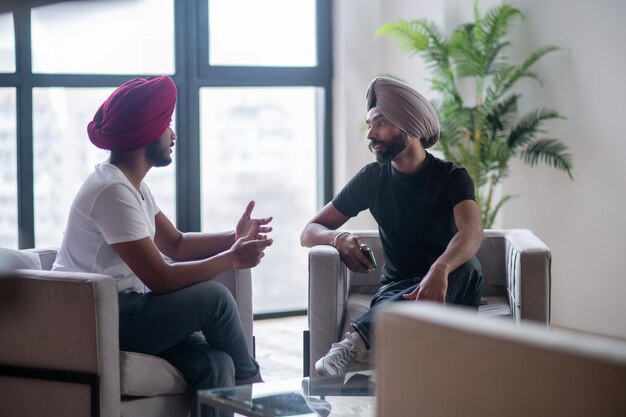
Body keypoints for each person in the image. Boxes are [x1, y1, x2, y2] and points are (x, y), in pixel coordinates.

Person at [52, 76, 272, 416]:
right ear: (146, 133)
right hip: (97, 318)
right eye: (167, 125)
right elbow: (161, 278)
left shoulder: (132, 186)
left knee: (216, 364)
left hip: (127, 310)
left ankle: (247, 388)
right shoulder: (111, 189)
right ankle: (260, 396)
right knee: (216, 299)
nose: (173, 135)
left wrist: (234, 237)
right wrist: (231, 259)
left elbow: (177, 243)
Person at [300, 76, 484, 376]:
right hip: (395, 291)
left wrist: (440, 270)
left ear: (408, 124)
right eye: (369, 125)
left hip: (451, 287)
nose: (370, 134)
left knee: (469, 266)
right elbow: (309, 231)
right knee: (401, 303)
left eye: (380, 123)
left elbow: (473, 232)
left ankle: (354, 343)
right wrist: (339, 238)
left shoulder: (452, 177)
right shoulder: (372, 179)